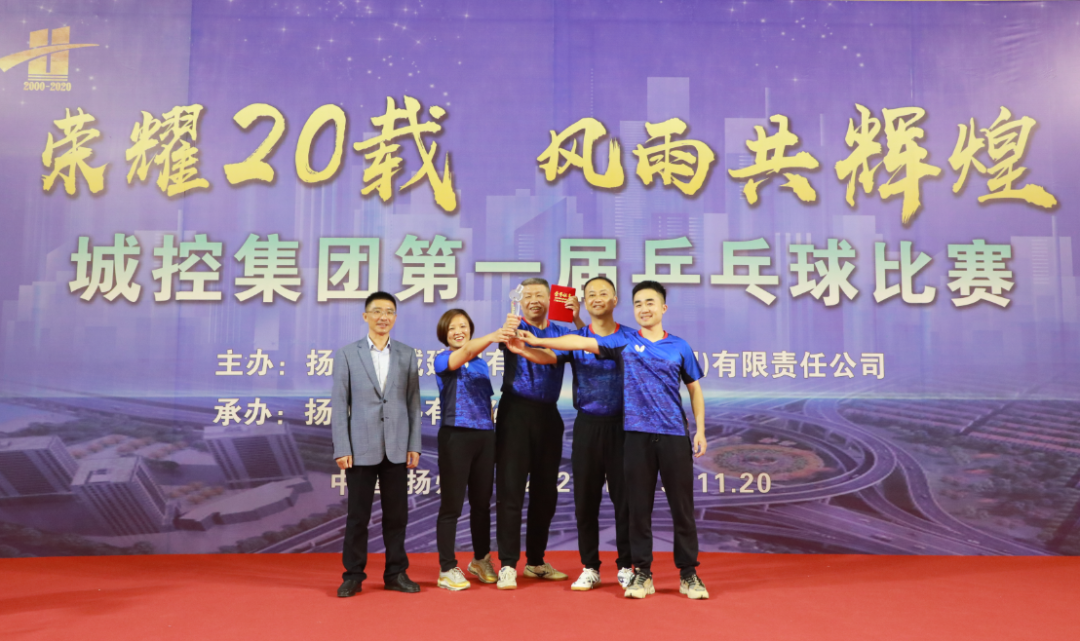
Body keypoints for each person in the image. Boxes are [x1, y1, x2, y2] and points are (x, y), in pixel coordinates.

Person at [516, 280, 710, 600]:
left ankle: (683, 573)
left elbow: (694, 388)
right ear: (632, 308)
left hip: (665, 433)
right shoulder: (626, 343)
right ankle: (633, 571)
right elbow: (581, 343)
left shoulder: (675, 345)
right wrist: (533, 342)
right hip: (628, 434)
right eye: (639, 304)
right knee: (629, 508)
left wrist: (700, 429)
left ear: (663, 308)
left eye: (650, 303)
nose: (644, 309)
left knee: (676, 508)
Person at [508, 276, 634, 591]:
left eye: (603, 293)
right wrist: (524, 349)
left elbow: (587, 344)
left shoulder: (630, 337)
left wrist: (537, 342)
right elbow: (551, 358)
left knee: (625, 500)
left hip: (623, 427)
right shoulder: (574, 336)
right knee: (585, 501)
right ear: (584, 301)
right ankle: (590, 567)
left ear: (615, 300)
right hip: (587, 425)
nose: (597, 298)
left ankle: (626, 566)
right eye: (591, 294)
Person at [331, 291, 422, 597]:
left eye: (389, 312)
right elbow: (339, 404)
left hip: (397, 446)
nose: (384, 317)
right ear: (365, 316)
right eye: (377, 311)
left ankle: (396, 573)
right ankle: (353, 575)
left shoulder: (407, 354)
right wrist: (342, 447)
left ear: (395, 317)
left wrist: (414, 444)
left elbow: (413, 403)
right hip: (359, 448)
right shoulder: (347, 354)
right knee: (358, 517)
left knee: (397, 516)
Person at [493, 277, 580, 589]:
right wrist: (509, 329)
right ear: (520, 300)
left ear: (550, 299)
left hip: (548, 416)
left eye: (539, 295)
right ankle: (507, 564)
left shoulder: (562, 333)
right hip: (514, 414)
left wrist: (577, 316)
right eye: (527, 295)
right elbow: (504, 338)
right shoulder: (512, 328)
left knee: (545, 493)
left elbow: (579, 345)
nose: (533, 300)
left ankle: (535, 561)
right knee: (511, 490)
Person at [431, 309, 516, 591]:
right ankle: (446, 568)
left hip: (484, 437)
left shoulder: (480, 364)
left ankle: (481, 560)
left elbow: (485, 401)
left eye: (464, 326)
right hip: (455, 436)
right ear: (444, 334)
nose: (459, 331)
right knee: (452, 506)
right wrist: (493, 335)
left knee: (481, 504)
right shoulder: (442, 359)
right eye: (452, 328)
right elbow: (464, 353)